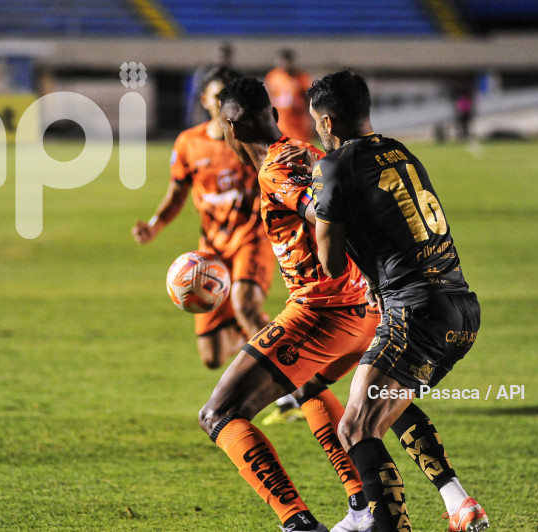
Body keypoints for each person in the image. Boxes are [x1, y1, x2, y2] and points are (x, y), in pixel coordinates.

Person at [199, 76, 384, 532]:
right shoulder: (304, 151)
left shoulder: (278, 168)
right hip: (360, 311)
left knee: (218, 415)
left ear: (230, 127)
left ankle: (298, 524)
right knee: (307, 390)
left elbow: (324, 211)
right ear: (275, 115)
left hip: (323, 312)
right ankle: (363, 508)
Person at [307, 69, 489, 532]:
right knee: (385, 402)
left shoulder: (335, 166)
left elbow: (330, 263)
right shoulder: (401, 152)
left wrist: (317, 201)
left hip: (416, 310)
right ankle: (459, 503)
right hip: (460, 308)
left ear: (327, 122)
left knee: (355, 427)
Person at [132, 67, 274, 370]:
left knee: (245, 305)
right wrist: (155, 225)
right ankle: (259, 334)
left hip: (252, 238)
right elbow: (176, 193)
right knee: (212, 357)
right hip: (212, 248)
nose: (224, 101)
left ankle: (295, 386)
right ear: (204, 100)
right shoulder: (189, 143)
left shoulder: (254, 140)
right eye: (218, 94)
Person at [264, 48, 313, 143]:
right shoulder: (273, 77)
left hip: (297, 122)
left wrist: (308, 117)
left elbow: (308, 99)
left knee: (300, 147)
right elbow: (269, 98)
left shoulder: (301, 77)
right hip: (280, 121)